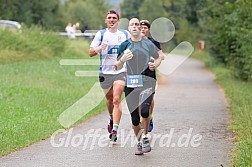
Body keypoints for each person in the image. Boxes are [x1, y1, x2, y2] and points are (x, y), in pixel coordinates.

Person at [114, 18, 161, 155]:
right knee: (135, 119)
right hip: (131, 83)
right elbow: (116, 65)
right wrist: (123, 59)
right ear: (128, 28)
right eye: (132, 25)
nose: (134, 26)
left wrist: (155, 64)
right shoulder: (124, 45)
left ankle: (145, 136)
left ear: (140, 28)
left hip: (147, 81)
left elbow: (158, 57)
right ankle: (140, 142)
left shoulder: (148, 44)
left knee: (145, 111)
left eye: (137, 24)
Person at [89, 10, 130, 142]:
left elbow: (134, 46)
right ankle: (111, 118)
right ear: (106, 21)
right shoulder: (101, 34)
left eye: (114, 18)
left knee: (116, 99)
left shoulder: (124, 34)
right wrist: (100, 47)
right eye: (109, 18)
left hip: (120, 71)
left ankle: (115, 130)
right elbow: (90, 53)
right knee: (109, 99)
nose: (112, 20)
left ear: (118, 21)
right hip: (105, 72)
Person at [140, 20, 165, 132]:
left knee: (150, 98)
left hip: (150, 74)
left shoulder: (153, 42)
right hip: (137, 74)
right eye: (141, 27)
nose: (143, 29)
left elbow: (161, 56)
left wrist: (155, 64)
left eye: (145, 28)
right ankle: (142, 118)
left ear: (148, 30)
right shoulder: (134, 41)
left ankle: (149, 117)